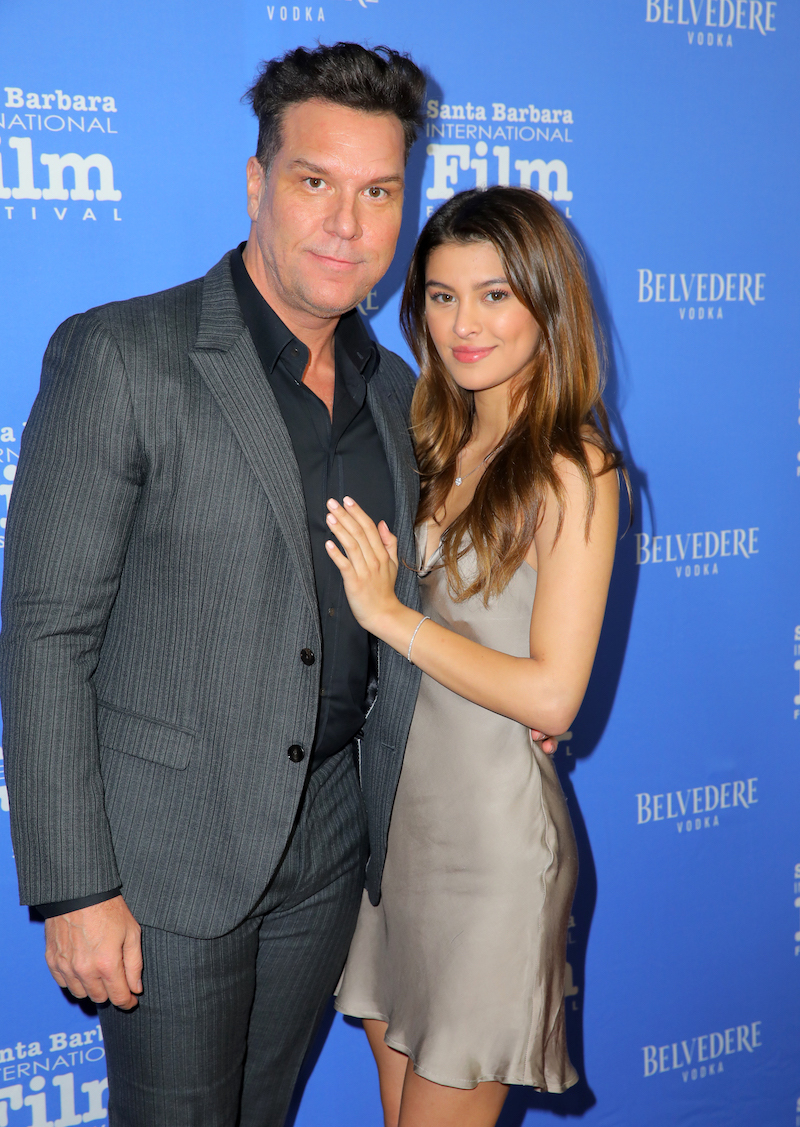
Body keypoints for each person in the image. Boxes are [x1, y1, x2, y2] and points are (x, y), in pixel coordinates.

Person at [0, 43, 427, 1127]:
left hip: (330, 845)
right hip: (163, 861)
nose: (345, 222)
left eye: (377, 191)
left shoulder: (402, 397)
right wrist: (76, 887)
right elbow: (44, 630)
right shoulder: (123, 355)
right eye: (313, 181)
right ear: (255, 184)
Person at [328, 186, 624, 1127]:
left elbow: (555, 695)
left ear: (547, 300)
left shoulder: (573, 463)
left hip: (490, 858)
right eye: (443, 295)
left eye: (495, 295)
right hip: (394, 840)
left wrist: (389, 615)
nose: (465, 325)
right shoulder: (433, 435)